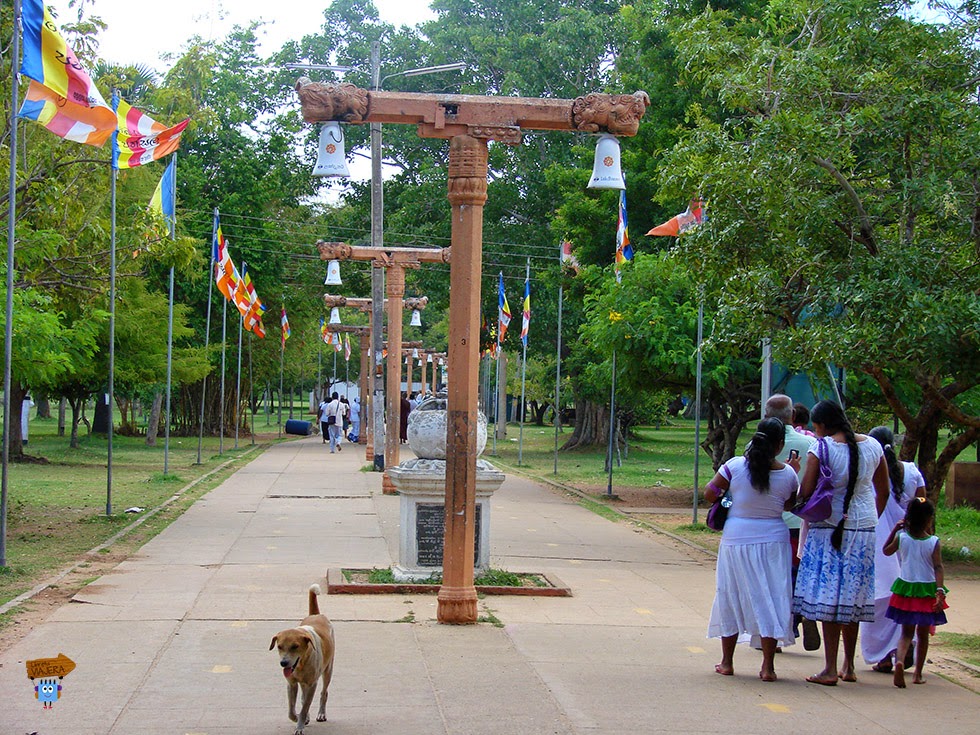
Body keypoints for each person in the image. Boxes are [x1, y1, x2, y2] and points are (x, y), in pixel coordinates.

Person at [792, 399, 889, 686]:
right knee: (852, 599)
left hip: (828, 528)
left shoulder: (820, 448)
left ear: (820, 426)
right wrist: (869, 518)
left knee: (829, 599)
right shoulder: (873, 446)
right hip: (864, 529)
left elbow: (807, 491)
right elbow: (882, 491)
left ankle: (830, 668)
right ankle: (849, 665)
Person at [705, 417, 799, 682]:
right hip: (773, 540)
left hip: (736, 538)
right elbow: (789, 505)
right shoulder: (788, 474)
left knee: (731, 593)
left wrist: (728, 495)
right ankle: (768, 666)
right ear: (780, 445)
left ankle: (727, 662)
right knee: (771, 595)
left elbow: (710, 494)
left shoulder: (733, 466)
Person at [861, 425, 927, 673]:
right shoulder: (911, 471)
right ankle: (902, 647)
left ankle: (885, 656)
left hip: (882, 544)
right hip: (909, 545)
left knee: (879, 598)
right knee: (907, 597)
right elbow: (922, 503)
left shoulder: (870, 474)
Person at [763, 395, 815, 645]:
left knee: (774, 578)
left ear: (765, 415)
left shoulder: (755, 446)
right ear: (792, 415)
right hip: (799, 522)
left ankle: (779, 629)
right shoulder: (811, 443)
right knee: (796, 574)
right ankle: (800, 616)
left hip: (769, 521)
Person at [882, 497, 948, 688]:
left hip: (906, 590)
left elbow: (886, 551)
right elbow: (938, 567)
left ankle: (900, 661)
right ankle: (918, 674)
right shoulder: (933, 542)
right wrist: (939, 591)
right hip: (926, 591)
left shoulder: (902, 538)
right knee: (923, 635)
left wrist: (895, 530)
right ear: (929, 519)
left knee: (905, 634)